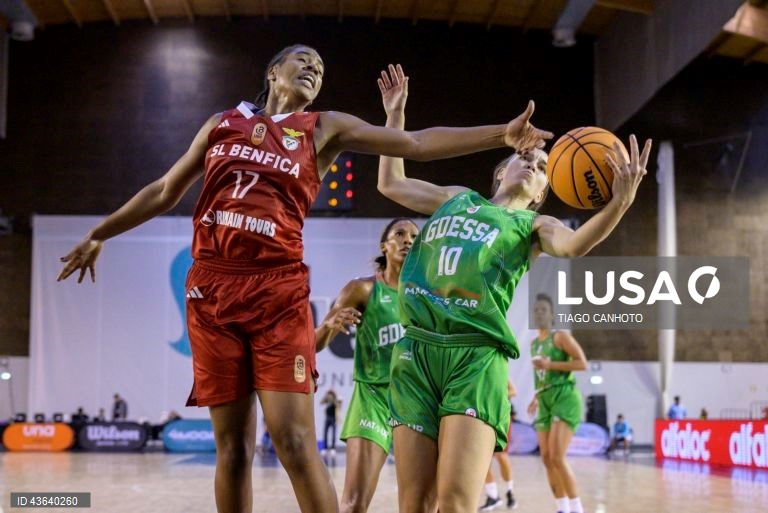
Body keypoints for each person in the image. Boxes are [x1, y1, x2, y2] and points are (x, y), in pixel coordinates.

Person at [56, 43, 551, 513]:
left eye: (319, 66)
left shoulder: (323, 128)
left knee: (293, 440)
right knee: (231, 447)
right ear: (273, 72)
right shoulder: (221, 124)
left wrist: (499, 135)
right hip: (211, 286)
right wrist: (102, 232)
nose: (313, 67)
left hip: (277, 288)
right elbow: (165, 188)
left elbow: (415, 144)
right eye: (302, 59)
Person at [375, 64, 651, 513]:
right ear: (501, 171)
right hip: (416, 350)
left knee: (456, 502)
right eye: (525, 157)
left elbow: (576, 245)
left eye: (543, 167)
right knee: (415, 502)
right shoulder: (456, 198)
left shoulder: (534, 225)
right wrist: (396, 113)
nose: (533, 164)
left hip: (474, 357)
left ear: (544, 190)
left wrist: (619, 203)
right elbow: (391, 182)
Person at [315, 217, 419, 513]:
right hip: (373, 398)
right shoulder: (362, 289)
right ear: (384, 246)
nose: (407, 240)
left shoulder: (428, 297)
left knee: (422, 505)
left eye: (414, 236)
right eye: (399, 234)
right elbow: (315, 344)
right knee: (354, 505)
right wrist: (329, 326)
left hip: (416, 401)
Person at [528, 294, 588, 513]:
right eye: (536, 310)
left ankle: (577, 508)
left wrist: (551, 363)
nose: (539, 313)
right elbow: (543, 375)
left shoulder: (560, 337)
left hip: (564, 397)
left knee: (557, 456)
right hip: (545, 399)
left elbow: (582, 363)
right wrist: (536, 397)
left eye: (544, 310)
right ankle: (562, 507)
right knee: (545, 458)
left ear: (552, 315)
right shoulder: (534, 344)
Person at [479, 379, 518, 511]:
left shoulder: (498, 367)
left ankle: (510, 491)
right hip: (484, 416)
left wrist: (495, 395)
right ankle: (492, 495)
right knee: (482, 458)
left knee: (501, 455)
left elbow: (514, 391)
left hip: (501, 416)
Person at [320, 389, 342, 457]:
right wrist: (325, 397)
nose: (329, 396)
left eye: (330, 395)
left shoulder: (335, 400)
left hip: (333, 418)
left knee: (333, 434)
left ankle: (333, 448)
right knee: (325, 433)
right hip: (327, 418)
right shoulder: (327, 400)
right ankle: (325, 448)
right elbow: (321, 402)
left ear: (333, 395)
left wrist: (334, 400)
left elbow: (338, 407)